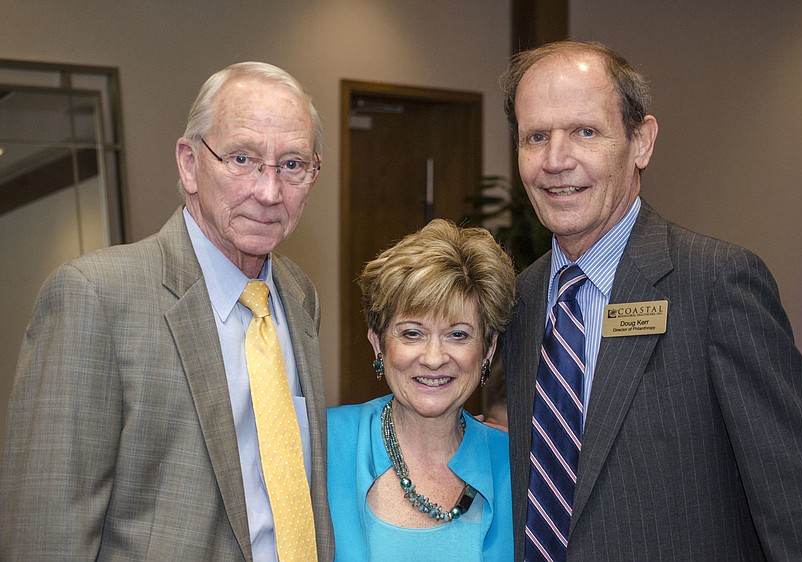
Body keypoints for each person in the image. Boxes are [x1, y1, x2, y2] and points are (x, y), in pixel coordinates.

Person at [500, 40, 802, 561]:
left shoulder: (716, 284)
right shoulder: (521, 301)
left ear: (641, 142)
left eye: (585, 132)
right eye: (536, 137)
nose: (556, 160)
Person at [0, 62, 334, 561]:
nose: (269, 192)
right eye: (242, 159)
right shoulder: (95, 298)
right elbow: (46, 536)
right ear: (188, 163)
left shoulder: (297, 295)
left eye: (291, 165)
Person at [327, 219, 516, 561]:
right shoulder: (322, 444)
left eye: (458, 334)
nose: (433, 359)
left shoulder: (516, 464)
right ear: (378, 344)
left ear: (487, 350)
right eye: (412, 333)